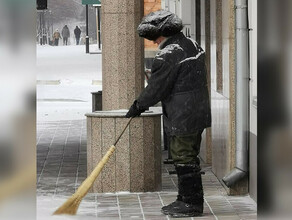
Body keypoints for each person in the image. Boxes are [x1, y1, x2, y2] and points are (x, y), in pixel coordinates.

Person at [126, 10, 211, 218]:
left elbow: (157, 88)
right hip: (197, 110)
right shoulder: (192, 45)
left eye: (155, 38)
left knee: (184, 156)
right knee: (188, 154)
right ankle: (185, 198)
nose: (155, 42)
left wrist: (138, 105)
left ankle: (191, 203)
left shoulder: (169, 54)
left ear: (163, 33)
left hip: (183, 113)